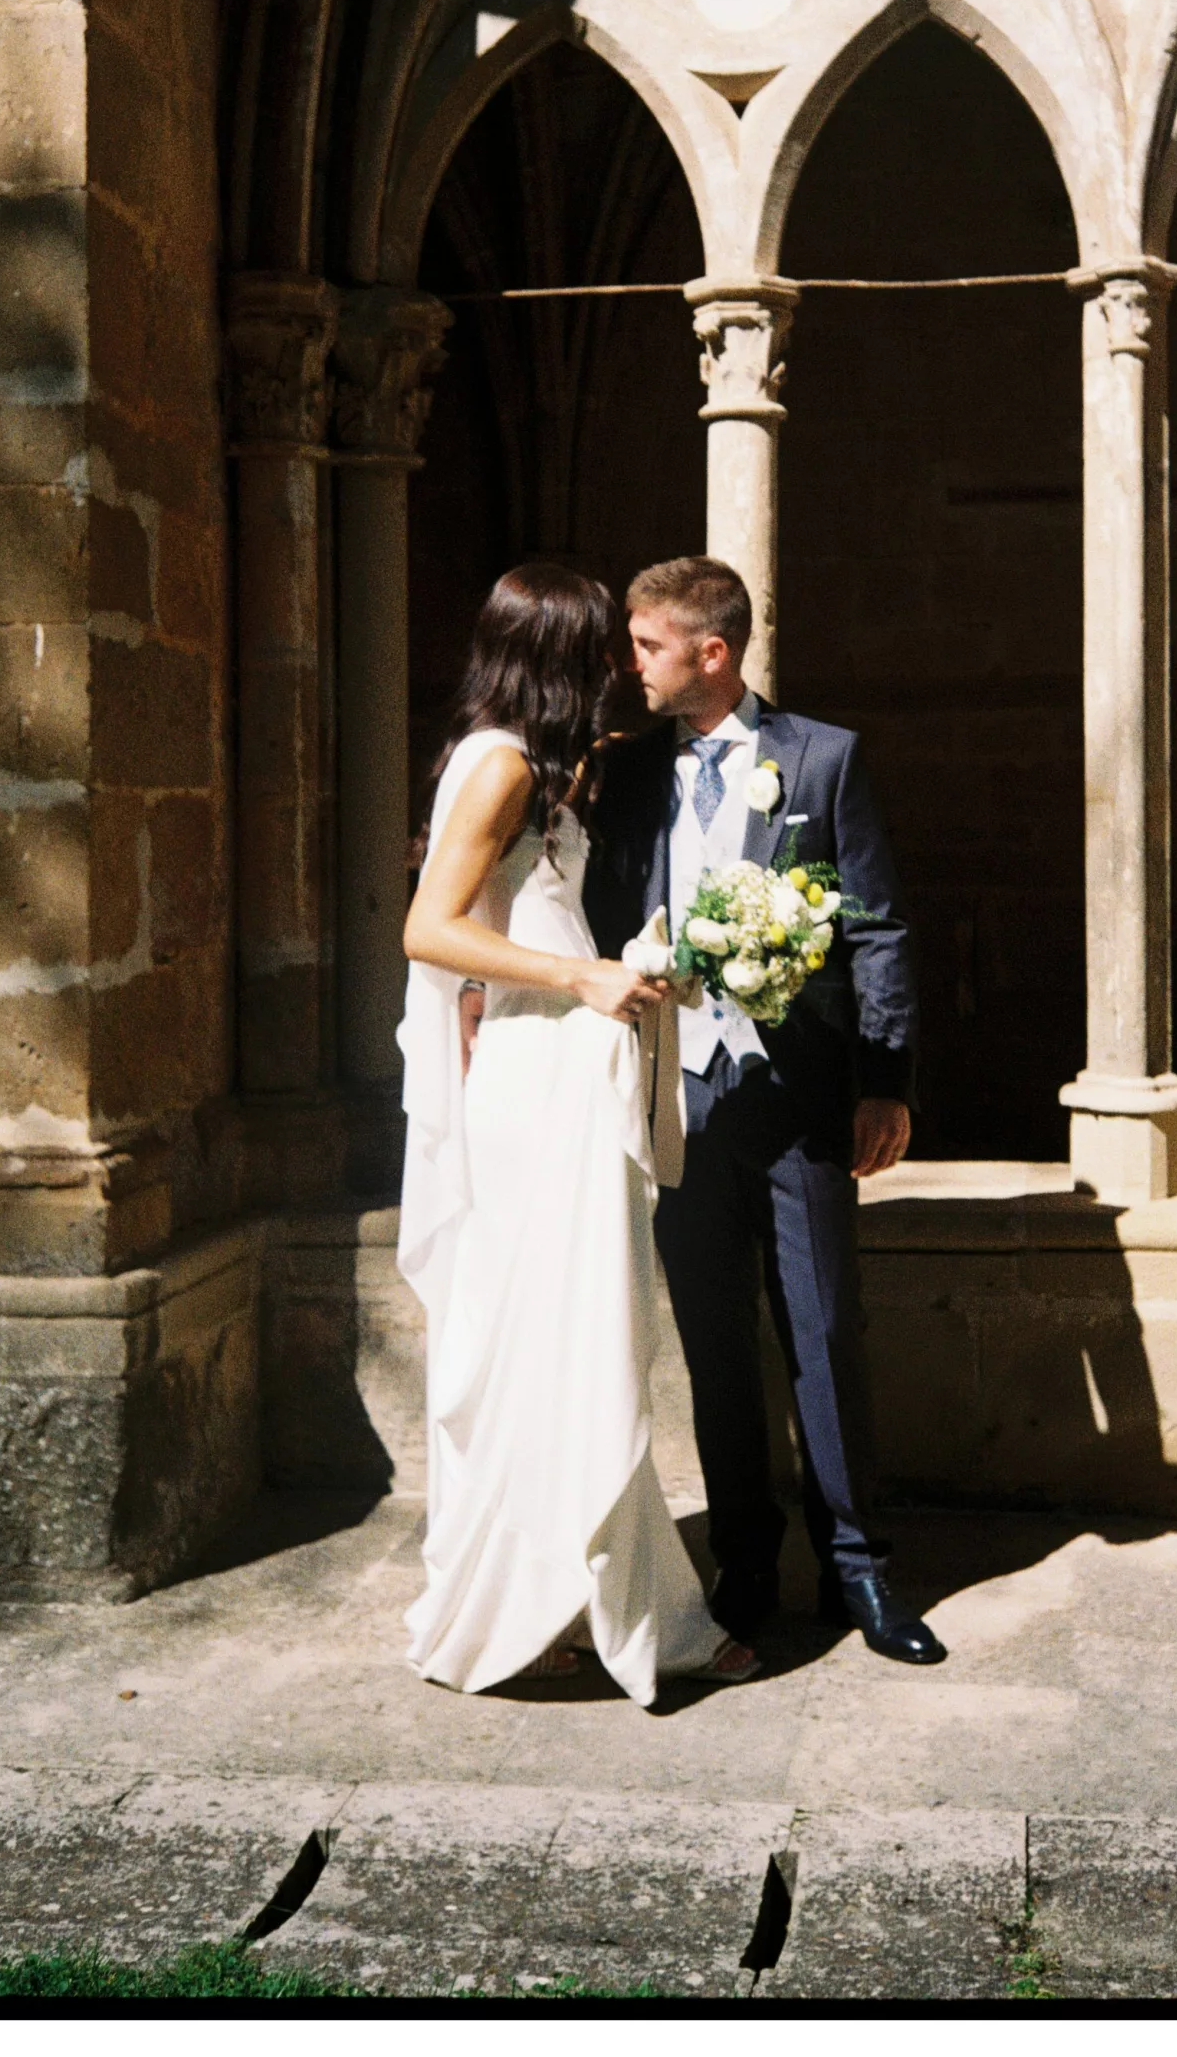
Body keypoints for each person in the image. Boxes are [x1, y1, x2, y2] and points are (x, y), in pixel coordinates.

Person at [395, 562, 759, 1704]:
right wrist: (581, 977)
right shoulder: (499, 762)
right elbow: (427, 929)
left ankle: (569, 1599)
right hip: (534, 1071)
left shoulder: (537, 763)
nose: (613, 666)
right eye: (598, 645)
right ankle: (556, 1607)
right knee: (551, 1343)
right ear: (554, 653)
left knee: (575, 1342)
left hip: (561, 1065)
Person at [583, 556, 948, 1667]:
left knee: (825, 1331)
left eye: (647, 645)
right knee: (712, 1342)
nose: (628, 663)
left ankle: (860, 1573)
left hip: (796, 1098)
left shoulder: (819, 758)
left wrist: (885, 1081)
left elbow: (875, 925)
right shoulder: (629, 768)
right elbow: (596, 908)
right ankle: (745, 1562)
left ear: (713, 651)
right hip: (677, 1099)